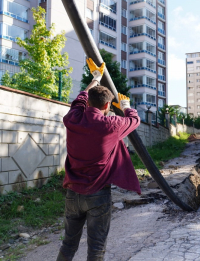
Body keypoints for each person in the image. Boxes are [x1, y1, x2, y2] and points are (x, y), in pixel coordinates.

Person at [56, 58, 141, 261]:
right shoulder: (111, 124)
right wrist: (127, 106)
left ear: (89, 102)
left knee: (68, 244)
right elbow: (134, 120)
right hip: (97, 195)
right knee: (96, 248)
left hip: (72, 194)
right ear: (107, 105)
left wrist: (96, 79)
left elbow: (80, 98)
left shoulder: (73, 118)